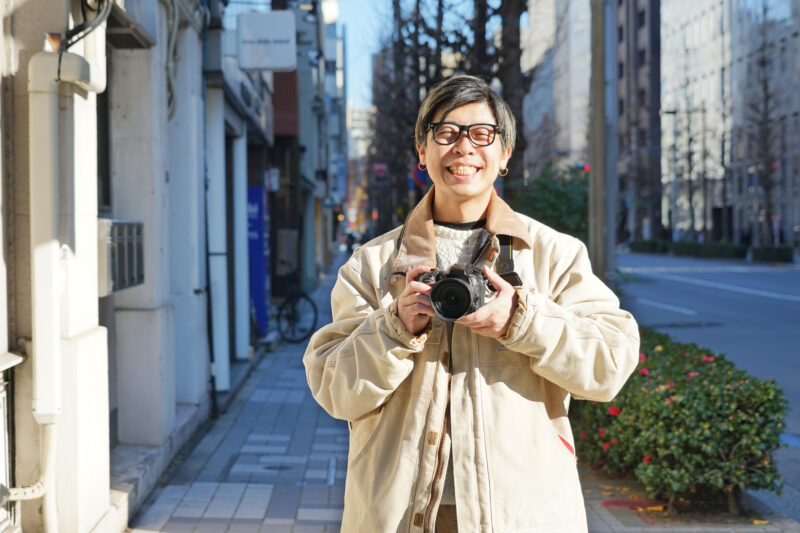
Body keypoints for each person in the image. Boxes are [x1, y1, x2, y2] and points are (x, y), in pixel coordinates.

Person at [303, 75, 640, 533]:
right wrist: (393, 327)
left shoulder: (552, 254)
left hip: (522, 515)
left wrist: (522, 320)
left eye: (482, 134)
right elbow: (335, 390)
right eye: (446, 132)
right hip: (397, 514)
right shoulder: (373, 264)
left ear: (504, 154)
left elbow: (610, 366)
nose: (464, 147)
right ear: (422, 150)